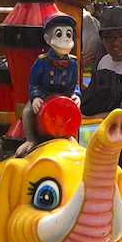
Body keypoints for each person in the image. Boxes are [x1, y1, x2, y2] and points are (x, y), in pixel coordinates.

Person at [19, 12, 81, 155]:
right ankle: (31, 139)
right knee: (28, 112)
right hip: (45, 95)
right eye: (59, 34)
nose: (65, 39)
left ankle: (70, 135)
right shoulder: (42, 61)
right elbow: (33, 83)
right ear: (48, 39)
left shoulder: (72, 62)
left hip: (64, 98)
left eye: (68, 35)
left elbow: (74, 83)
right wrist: (35, 97)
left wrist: (76, 95)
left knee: (75, 113)